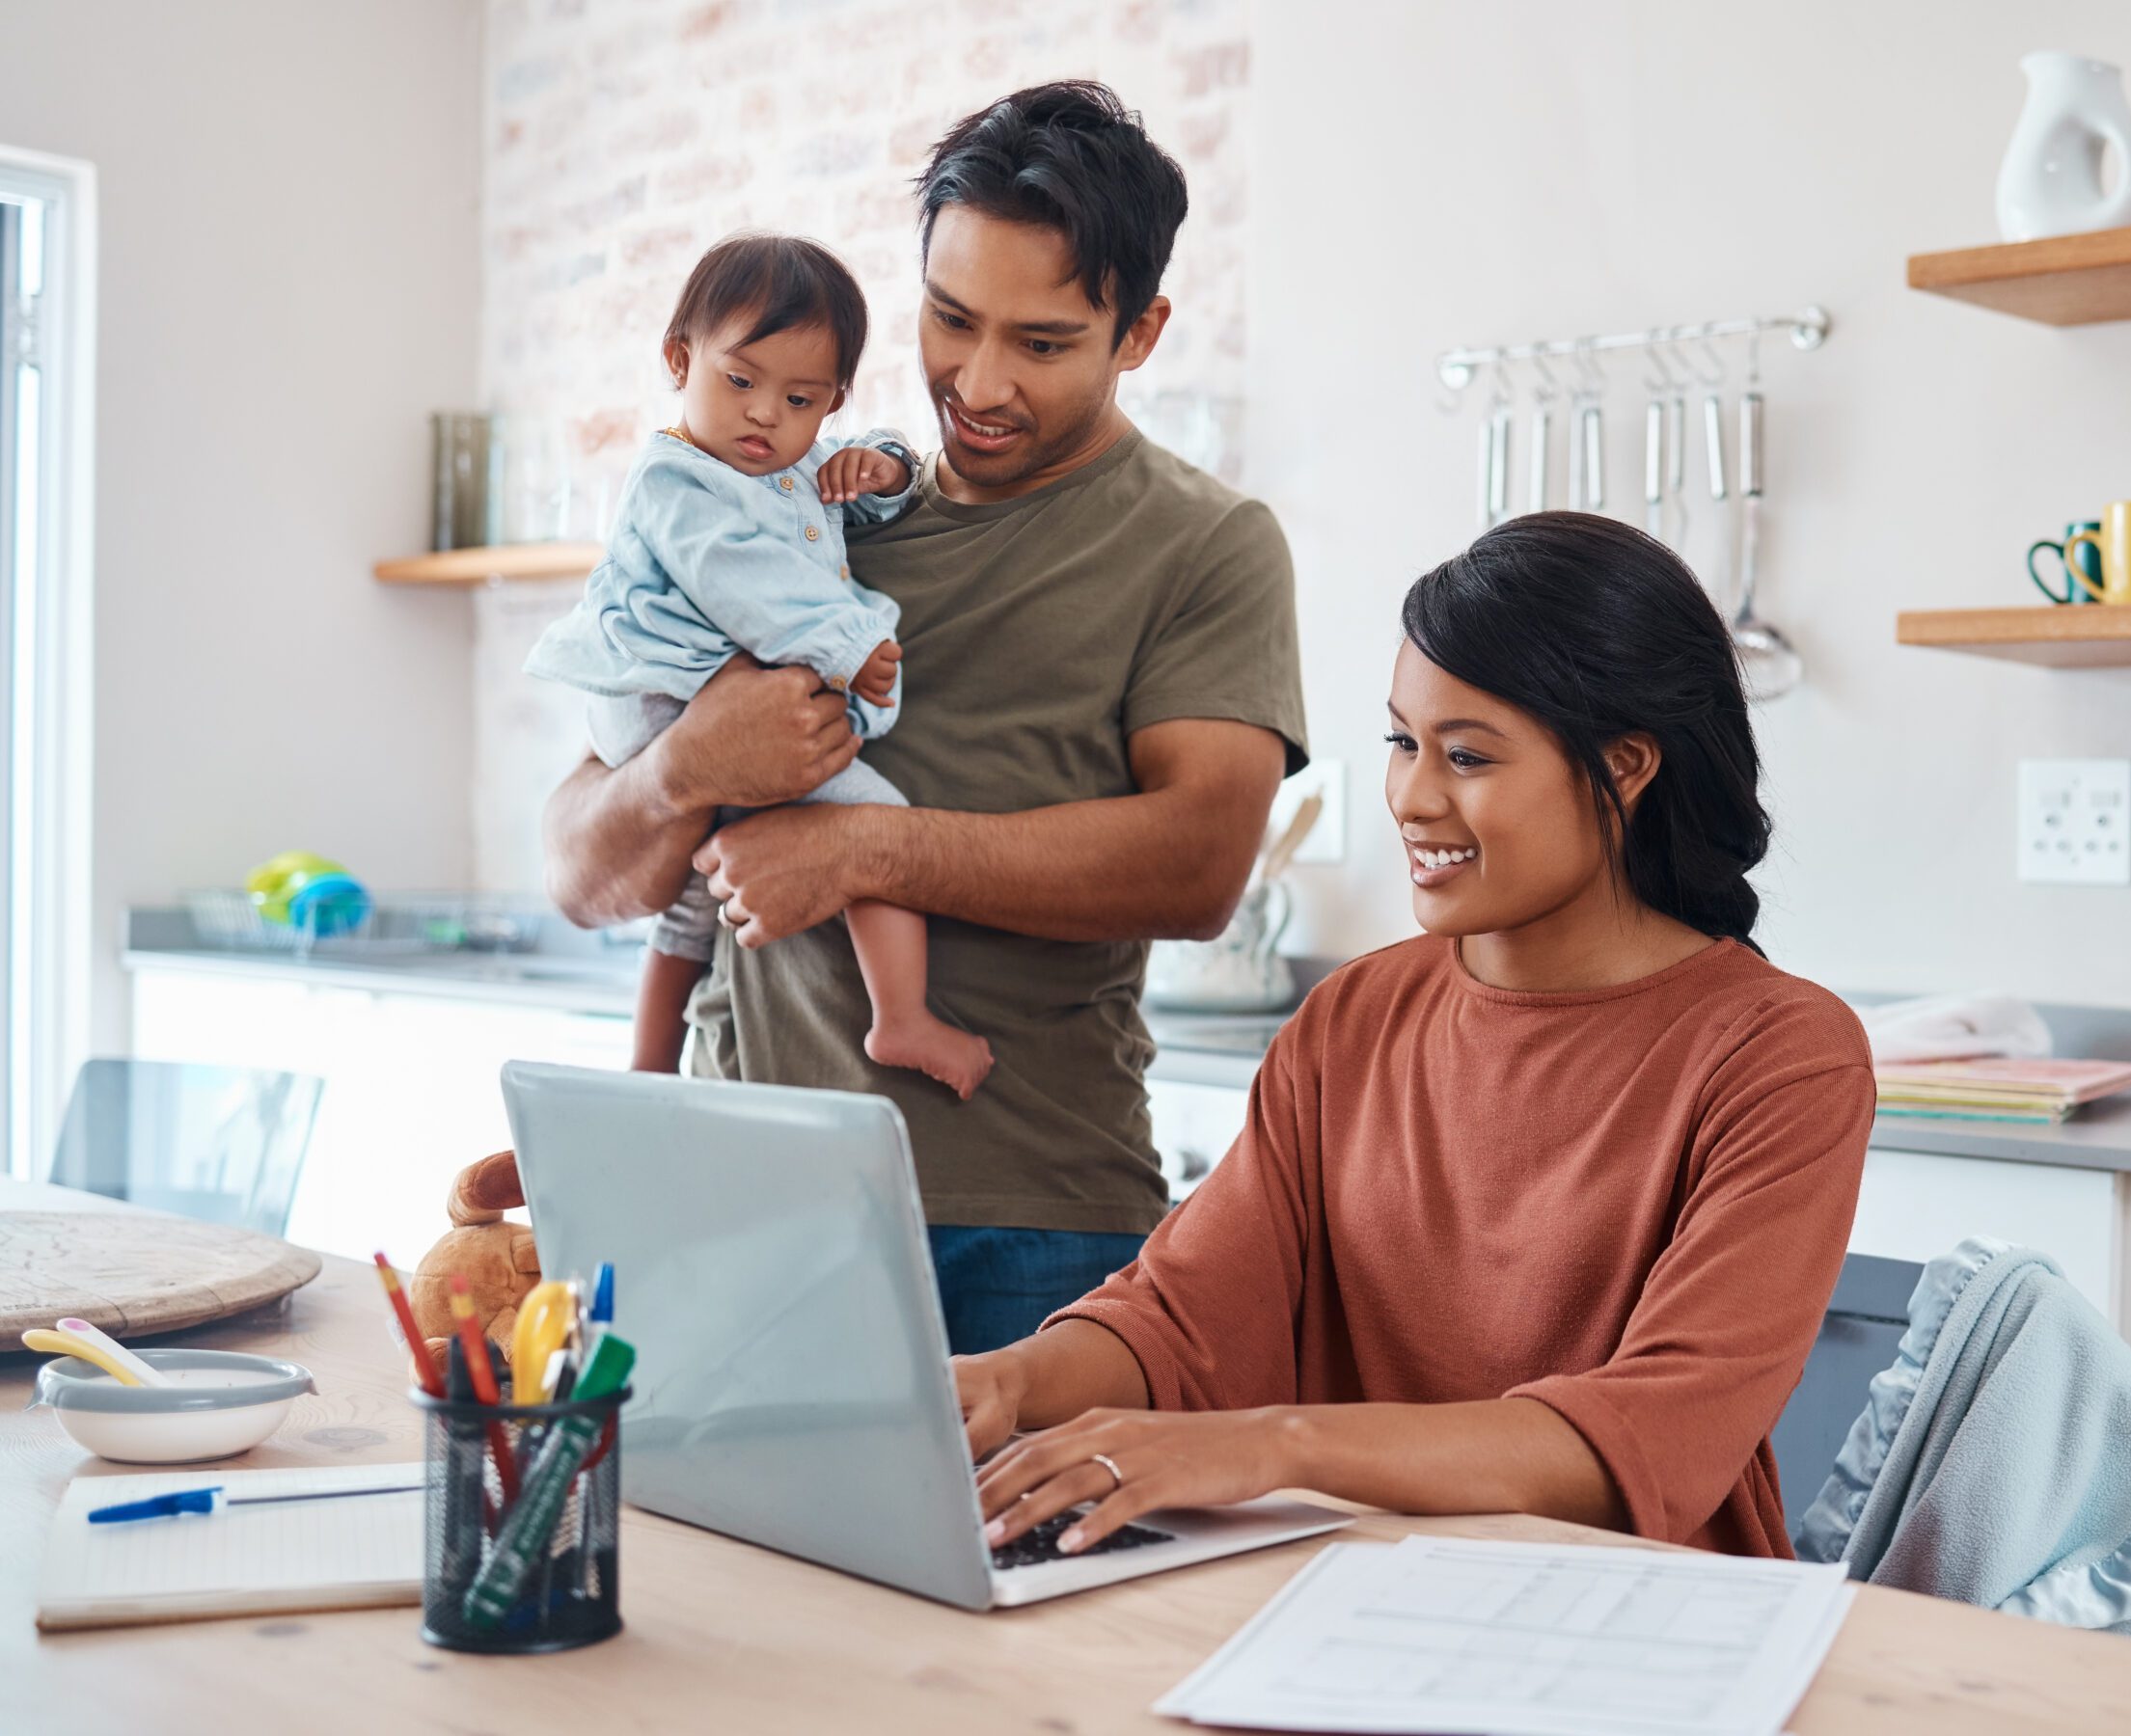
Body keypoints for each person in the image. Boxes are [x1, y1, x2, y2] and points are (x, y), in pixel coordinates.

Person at [540, 84, 1306, 1353]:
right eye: (951, 321)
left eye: (1044, 342)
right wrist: (684, 767)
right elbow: (578, 868)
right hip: (744, 1197)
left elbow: (1201, 863)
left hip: (1037, 1227)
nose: (982, 381)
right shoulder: (794, 512)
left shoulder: (1206, 545)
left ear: (1142, 331)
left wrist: (866, 850)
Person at [958, 513, 1876, 1560]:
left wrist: (1278, 1446)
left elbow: (1654, 1438)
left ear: (1624, 766)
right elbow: (1185, 1314)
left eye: (1468, 756)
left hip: (1642, 1624)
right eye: (1402, 741)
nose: (1412, 797)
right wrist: (1002, 1381)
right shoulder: (1354, 1017)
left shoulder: (1779, 1055)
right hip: (1345, 1589)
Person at [526, 233, 991, 1097]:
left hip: (683, 695)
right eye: (740, 382)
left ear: (831, 402)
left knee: (695, 900)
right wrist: (850, 652)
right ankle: (904, 1019)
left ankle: (648, 1071)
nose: (765, 415)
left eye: (801, 398)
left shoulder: (791, 464)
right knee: (876, 816)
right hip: (662, 697)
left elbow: (861, 497)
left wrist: (880, 466)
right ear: (680, 359)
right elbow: (747, 584)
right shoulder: (679, 478)